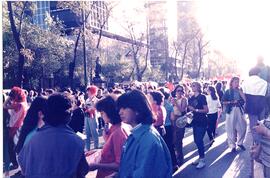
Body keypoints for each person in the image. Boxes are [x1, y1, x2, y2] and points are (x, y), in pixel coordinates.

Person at [18, 93, 89, 178]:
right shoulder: (77, 141)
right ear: (69, 116)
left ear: (45, 114)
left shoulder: (31, 139)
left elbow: (23, 168)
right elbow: (83, 170)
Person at [117, 89, 172, 178]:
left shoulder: (147, 139)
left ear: (137, 110)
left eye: (124, 108)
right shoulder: (138, 133)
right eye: (119, 108)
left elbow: (143, 173)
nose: (120, 112)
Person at [86, 95, 130, 178]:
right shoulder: (114, 128)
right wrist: (97, 151)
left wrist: (96, 165)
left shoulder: (118, 132)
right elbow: (111, 151)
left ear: (110, 112)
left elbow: (119, 164)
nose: (101, 116)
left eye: (102, 113)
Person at [4, 86, 28, 170]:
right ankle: (20, 164)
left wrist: (8, 98)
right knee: (18, 146)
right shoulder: (24, 103)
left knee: (11, 147)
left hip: (14, 127)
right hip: (20, 126)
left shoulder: (18, 105)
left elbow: (4, 106)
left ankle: (15, 164)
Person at [242, 67, 268, 142]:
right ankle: (261, 141)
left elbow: (243, 94)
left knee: (253, 126)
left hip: (250, 107)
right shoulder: (264, 82)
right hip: (261, 106)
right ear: (258, 73)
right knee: (262, 123)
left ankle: (257, 142)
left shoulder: (245, 82)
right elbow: (267, 94)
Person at [222, 76, 247, 152]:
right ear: (231, 83)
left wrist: (240, 92)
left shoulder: (240, 90)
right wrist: (231, 102)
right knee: (230, 128)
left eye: (238, 82)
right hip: (231, 110)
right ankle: (232, 146)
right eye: (235, 82)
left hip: (239, 110)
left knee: (243, 126)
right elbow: (223, 101)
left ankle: (240, 142)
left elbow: (245, 100)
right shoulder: (228, 91)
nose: (237, 83)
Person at [188, 81, 209, 169]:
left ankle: (202, 160)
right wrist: (190, 112)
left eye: (194, 86)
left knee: (199, 140)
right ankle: (200, 157)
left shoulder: (202, 97)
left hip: (202, 121)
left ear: (198, 87)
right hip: (195, 121)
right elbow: (191, 110)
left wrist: (195, 110)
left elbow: (206, 110)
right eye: (191, 85)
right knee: (196, 141)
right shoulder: (191, 97)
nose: (192, 87)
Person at [171, 84, 188, 166]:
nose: (179, 92)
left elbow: (182, 110)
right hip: (173, 120)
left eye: (181, 90)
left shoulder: (184, 99)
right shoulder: (172, 99)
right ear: (175, 91)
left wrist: (176, 103)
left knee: (179, 139)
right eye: (178, 90)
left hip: (181, 120)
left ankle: (180, 158)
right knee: (174, 140)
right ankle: (176, 156)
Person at [84, 85, 99, 150]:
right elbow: (85, 108)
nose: (88, 92)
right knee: (87, 132)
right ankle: (87, 149)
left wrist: (92, 107)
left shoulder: (96, 100)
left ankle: (96, 148)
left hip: (93, 116)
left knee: (94, 132)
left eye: (89, 91)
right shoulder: (87, 99)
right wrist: (85, 107)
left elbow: (97, 109)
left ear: (93, 92)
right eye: (87, 91)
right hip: (87, 116)